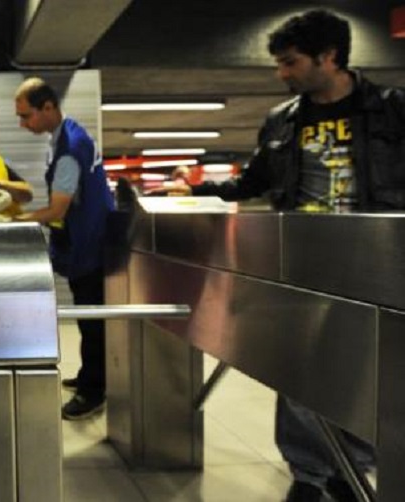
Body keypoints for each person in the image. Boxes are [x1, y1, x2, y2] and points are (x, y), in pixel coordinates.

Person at [153, 10, 403, 501]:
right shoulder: (283, 121)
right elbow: (253, 182)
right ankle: (310, 475)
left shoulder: (392, 112)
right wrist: (198, 191)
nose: (281, 74)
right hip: (304, 264)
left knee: (367, 374)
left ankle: (350, 467)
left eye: (290, 62)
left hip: (375, 264)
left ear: (329, 57)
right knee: (297, 370)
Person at [13, 77, 115, 420]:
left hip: (89, 246)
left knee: (92, 321)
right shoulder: (64, 136)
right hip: (84, 243)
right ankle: (90, 377)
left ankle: (94, 391)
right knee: (89, 318)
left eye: (26, 116)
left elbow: (57, 210)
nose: (22, 124)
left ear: (48, 107)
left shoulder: (70, 147)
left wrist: (17, 221)